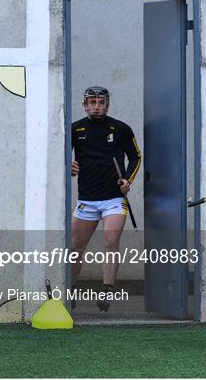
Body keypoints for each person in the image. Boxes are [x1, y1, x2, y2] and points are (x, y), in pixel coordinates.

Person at [70, 86, 141, 312]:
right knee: (74, 249)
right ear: (85, 105)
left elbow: (136, 156)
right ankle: (69, 290)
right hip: (87, 199)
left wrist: (128, 179)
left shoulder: (121, 129)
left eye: (101, 102)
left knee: (111, 243)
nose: (96, 106)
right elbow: (59, 154)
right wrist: (67, 166)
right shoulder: (74, 129)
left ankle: (106, 291)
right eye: (92, 102)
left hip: (114, 199)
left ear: (107, 105)